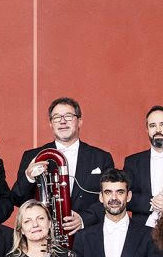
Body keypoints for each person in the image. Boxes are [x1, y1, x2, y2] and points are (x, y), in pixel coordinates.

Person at [10, 95, 113, 237]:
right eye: (57, 117)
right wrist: (29, 177)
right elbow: (17, 199)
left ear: (80, 121)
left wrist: (84, 219)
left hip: (89, 236)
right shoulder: (32, 156)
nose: (62, 121)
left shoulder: (101, 158)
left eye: (69, 116)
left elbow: (111, 198)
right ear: (51, 124)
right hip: (46, 237)